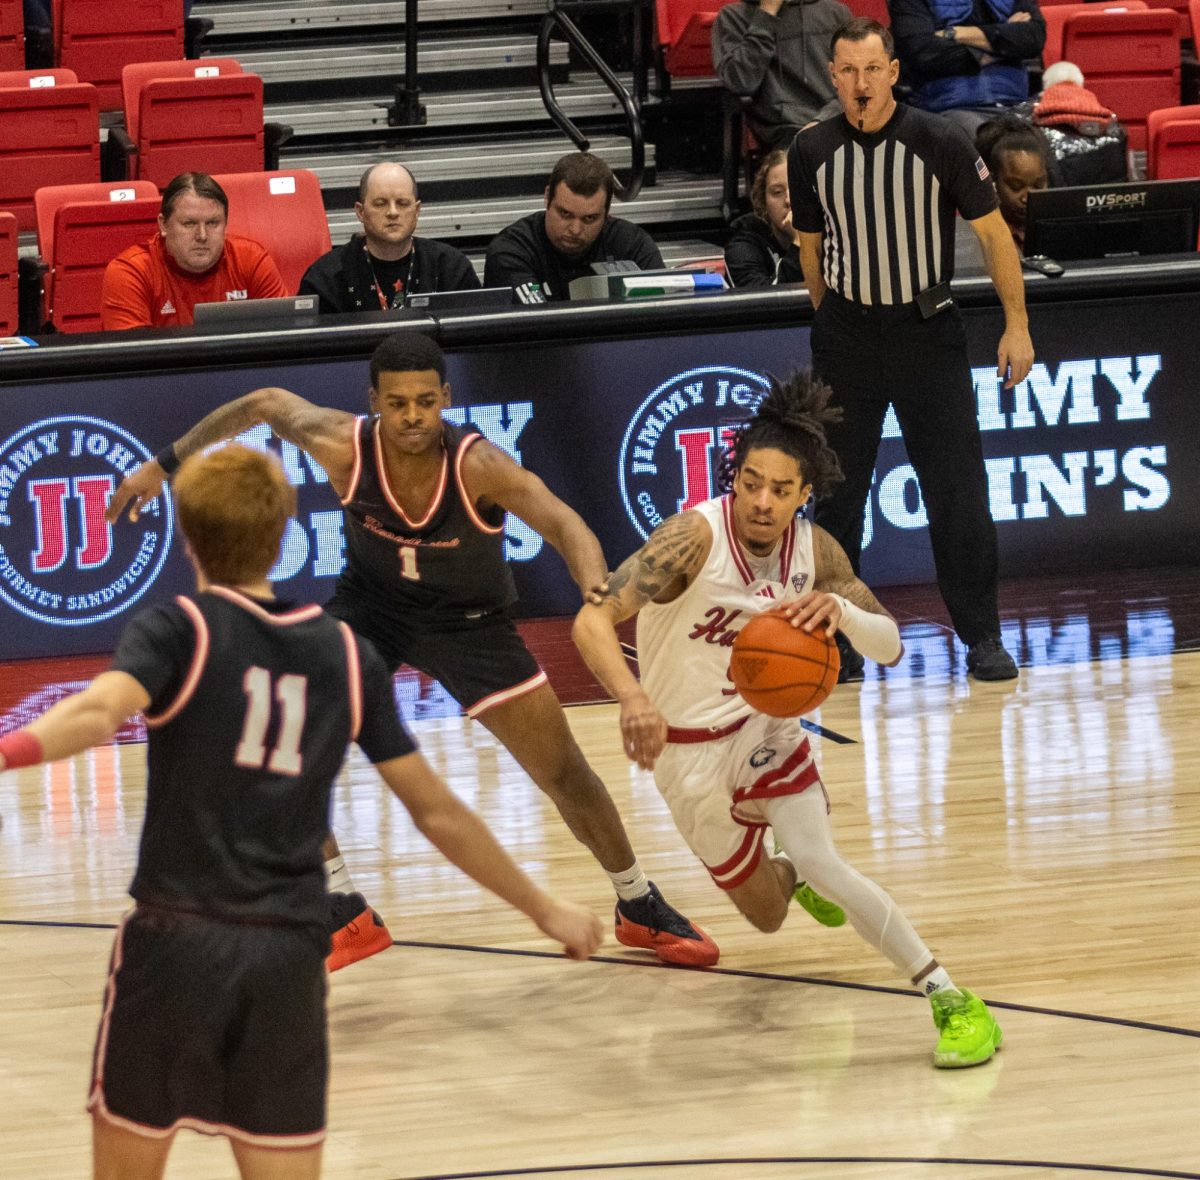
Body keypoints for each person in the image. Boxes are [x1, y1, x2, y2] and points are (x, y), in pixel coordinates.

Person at [0, 444, 601, 1180]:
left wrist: (8, 752)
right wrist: (544, 908)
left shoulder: (177, 630)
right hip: (285, 957)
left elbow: (95, 715)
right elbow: (436, 813)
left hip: (176, 941)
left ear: (187, 539)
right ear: (286, 534)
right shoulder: (344, 654)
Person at [106, 332, 718, 972]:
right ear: (374, 402)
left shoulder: (479, 464)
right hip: (373, 609)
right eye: (397, 403)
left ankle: (636, 903)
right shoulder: (343, 444)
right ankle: (345, 909)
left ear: (446, 398)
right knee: (273, 739)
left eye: (426, 401)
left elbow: (565, 523)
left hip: (469, 624)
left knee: (565, 771)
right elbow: (262, 402)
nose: (412, 416)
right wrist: (161, 464)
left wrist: (592, 585)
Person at [572, 372, 1004, 1069]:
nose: (762, 502)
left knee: (824, 861)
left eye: (780, 489)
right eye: (750, 483)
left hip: (764, 732)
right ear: (734, 479)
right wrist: (633, 697)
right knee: (767, 915)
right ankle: (788, 874)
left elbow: (890, 645)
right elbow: (593, 619)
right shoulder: (689, 540)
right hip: (686, 759)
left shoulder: (817, 553)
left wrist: (844, 613)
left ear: (806, 494)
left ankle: (951, 997)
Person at [789, 18, 1035, 681]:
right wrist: (838, 317)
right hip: (847, 340)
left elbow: (992, 236)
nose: (861, 83)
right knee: (838, 500)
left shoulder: (940, 139)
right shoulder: (810, 150)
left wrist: (1017, 324)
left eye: (873, 70)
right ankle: (839, 642)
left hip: (928, 335)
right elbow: (810, 252)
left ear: (893, 73)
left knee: (958, 493)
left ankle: (982, 637)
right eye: (848, 71)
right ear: (833, 75)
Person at [100, 172, 288, 331]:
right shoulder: (130, 273)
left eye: (212, 223)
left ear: (226, 224)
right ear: (163, 225)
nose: (202, 235)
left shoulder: (251, 260)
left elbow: (286, 339)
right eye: (189, 224)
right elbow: (133, 364)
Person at [299, 162, 480, 313]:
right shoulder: (327, 277)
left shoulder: (451, 268)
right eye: (380, 204)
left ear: (417, 211)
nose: (392, 212)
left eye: (402, 204)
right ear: (360, 212)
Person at [483, 152, 664, 302]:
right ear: (547, 197)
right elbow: (536, 323)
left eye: (590, 218)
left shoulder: (631, 244)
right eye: (565, 214)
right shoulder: (512, 251)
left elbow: (662, 307)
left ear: (608, 211)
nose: (575, 229)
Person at [889, 0, 1046, 137]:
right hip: (952, 106)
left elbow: (1034, 37)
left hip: (1017, 103)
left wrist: (954, 33)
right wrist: (1004, 40)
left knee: (1056, 148)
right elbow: (923, 51)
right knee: (990, 150)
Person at [712, 0, 852, 151]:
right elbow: (740, 82)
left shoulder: (835, 12)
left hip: (838, 120)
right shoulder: (733, 17)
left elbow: (856, 82)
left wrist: (822, 121)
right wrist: (766, 15)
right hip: (785, 132)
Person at [724, 149, 805, 288]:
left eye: (798, 188)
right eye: (778, 192)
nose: (789, 200)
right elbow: (769, 305)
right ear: (763, 202)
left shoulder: (834, 237)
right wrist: (799, 243)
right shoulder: (741, 249)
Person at [975, 114, 1052, 252]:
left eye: (1038, 186)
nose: (1026, 198)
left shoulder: (1057, 226)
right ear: (992, 181)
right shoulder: (975, 235)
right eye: (1016, 187)